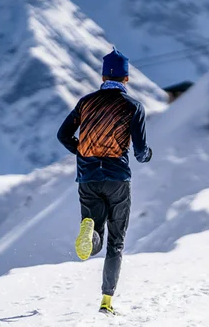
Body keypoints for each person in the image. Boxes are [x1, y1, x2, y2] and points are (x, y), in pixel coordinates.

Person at [57, 48, 152, 315]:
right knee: (116, 242)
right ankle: (106, 301)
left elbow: (63, 135)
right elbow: (141, 152)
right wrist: (147, 155)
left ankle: (90, 229)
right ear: (126, 78)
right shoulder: (132, 106)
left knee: (95, 232)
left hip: (87, 178)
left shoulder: (85, 103)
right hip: (117, 178)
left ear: (102, 75)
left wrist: (82, 151)